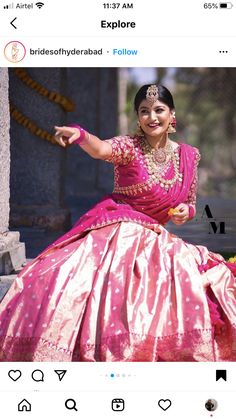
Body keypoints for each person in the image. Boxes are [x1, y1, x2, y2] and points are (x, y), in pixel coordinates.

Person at [0, 84, 235, 362]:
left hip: (156, 235)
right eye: (144, 111)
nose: (152, 117)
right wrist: (81, 135)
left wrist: (187, 210)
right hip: (117, 231)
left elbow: (191, 201)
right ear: (138, 118)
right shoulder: (129, 147)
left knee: (194, 275)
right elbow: (100, 149)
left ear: (172, 114)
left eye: (159, 110)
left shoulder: (189, 156)